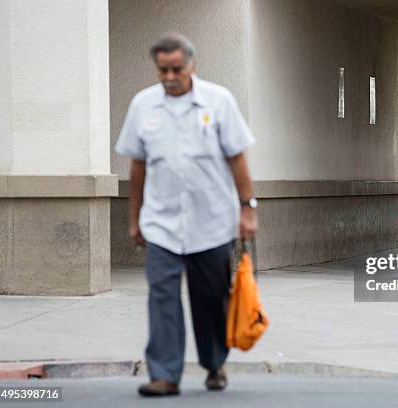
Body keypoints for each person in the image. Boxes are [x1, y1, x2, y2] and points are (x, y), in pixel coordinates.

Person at [115, 32, 258, 397]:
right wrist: (134, 219)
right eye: (162, 69)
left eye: (176, 68)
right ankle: (164, 374)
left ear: (191, 64)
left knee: (210, 298)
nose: (169, 76)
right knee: (161, 296)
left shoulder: (219, 100)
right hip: (161, 223)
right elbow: (137, 167)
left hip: (211, 222)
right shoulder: (143, 105)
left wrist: (247, 209)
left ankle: (214, 363)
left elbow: (237, 158)